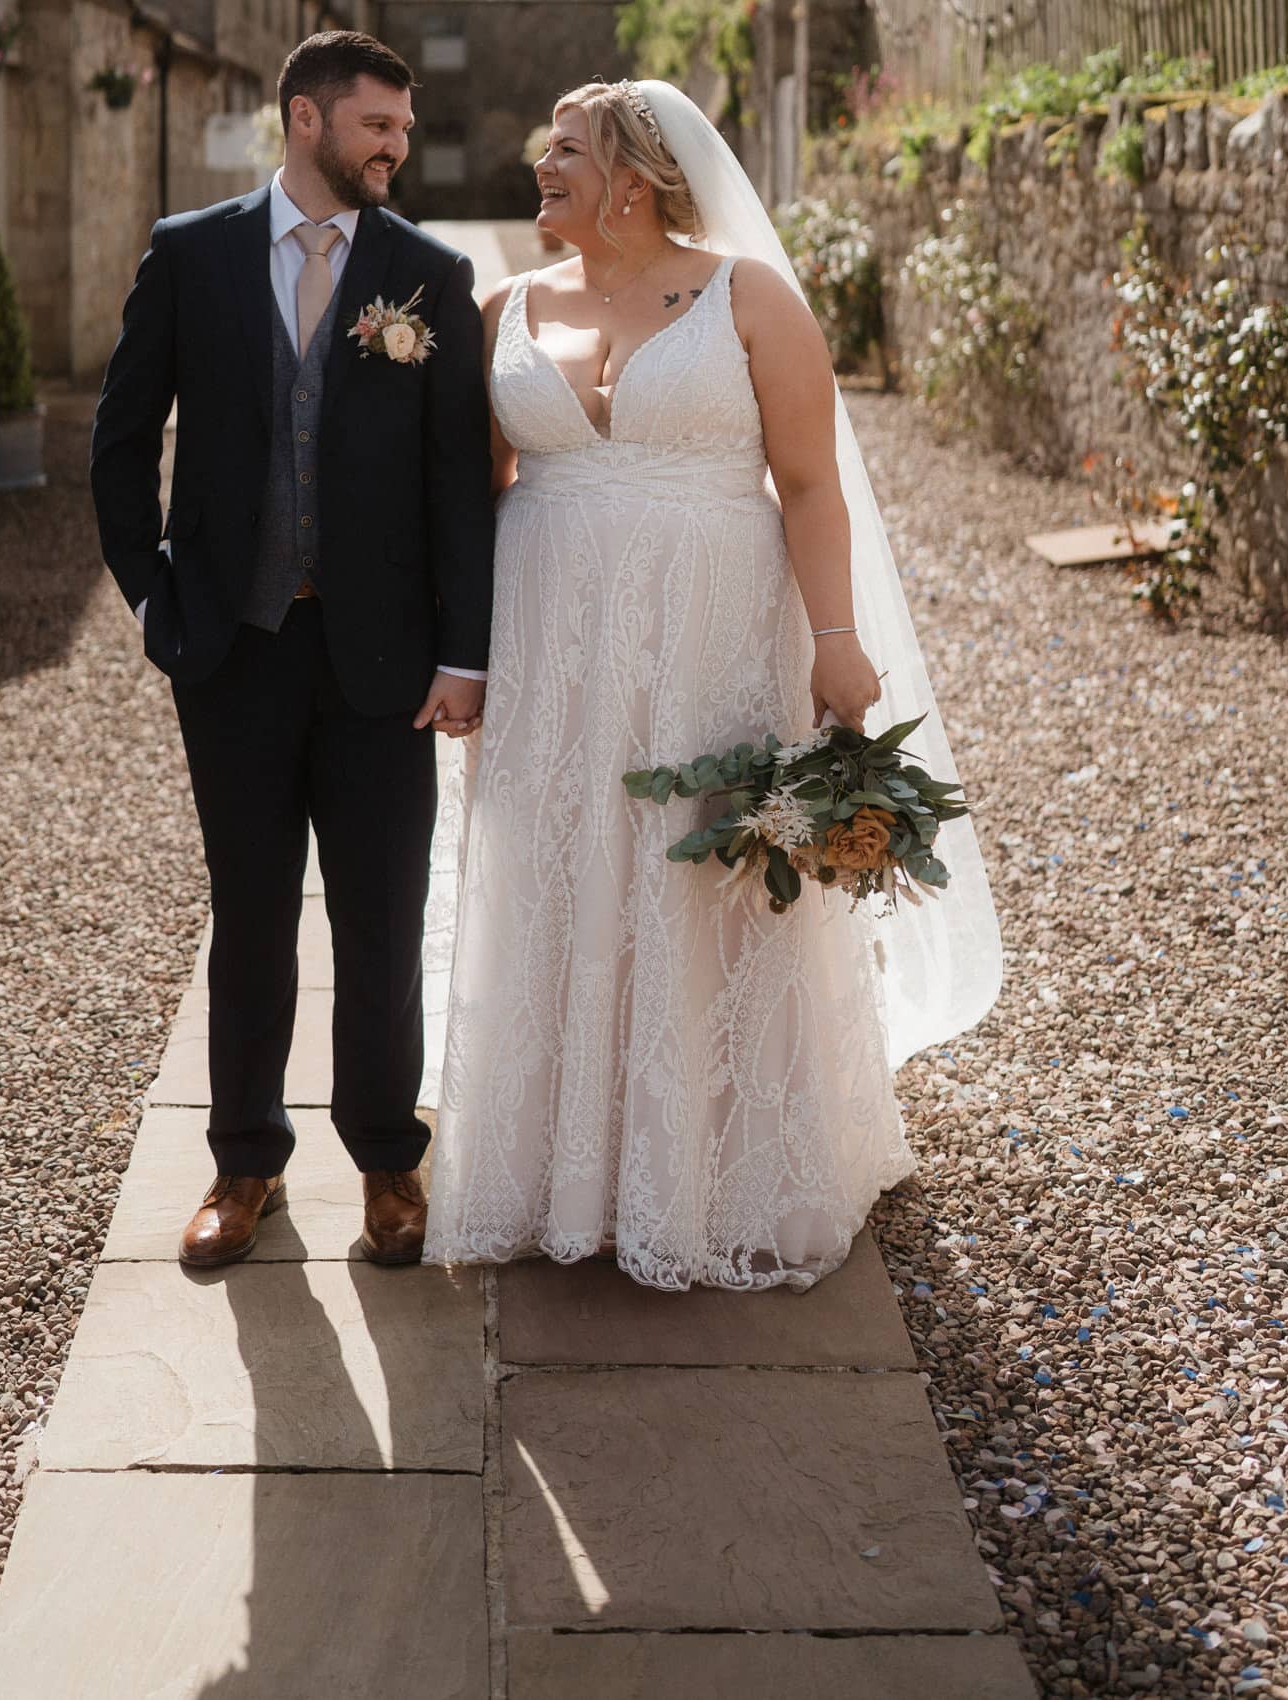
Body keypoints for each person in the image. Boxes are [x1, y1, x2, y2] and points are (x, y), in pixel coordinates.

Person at [423, 78, 1001, 1291]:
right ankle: (555, 1169)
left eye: (564, 150)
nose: (541, 166)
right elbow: (471, 495)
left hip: (710, 635)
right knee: (558, 864)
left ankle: (713, 1167)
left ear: (632, 177)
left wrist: (833, 636)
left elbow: (807, 483)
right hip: (554, 647)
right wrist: (462, 654)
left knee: (702, 876)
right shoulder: (502, 308)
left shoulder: (750, 298)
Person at [90, 30, 494, 1270]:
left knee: (379, 915)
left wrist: (463, 655)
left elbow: (457, 489)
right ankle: (242, 1164)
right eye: (378, 124)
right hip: (233, 649)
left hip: (382, 658)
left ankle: (386, 1161)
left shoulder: (426, 273)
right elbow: (120, 440)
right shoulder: (192, 254)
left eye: (405, 129)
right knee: (250, 914)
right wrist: (155, 600)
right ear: (306, 121)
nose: (397, 146)